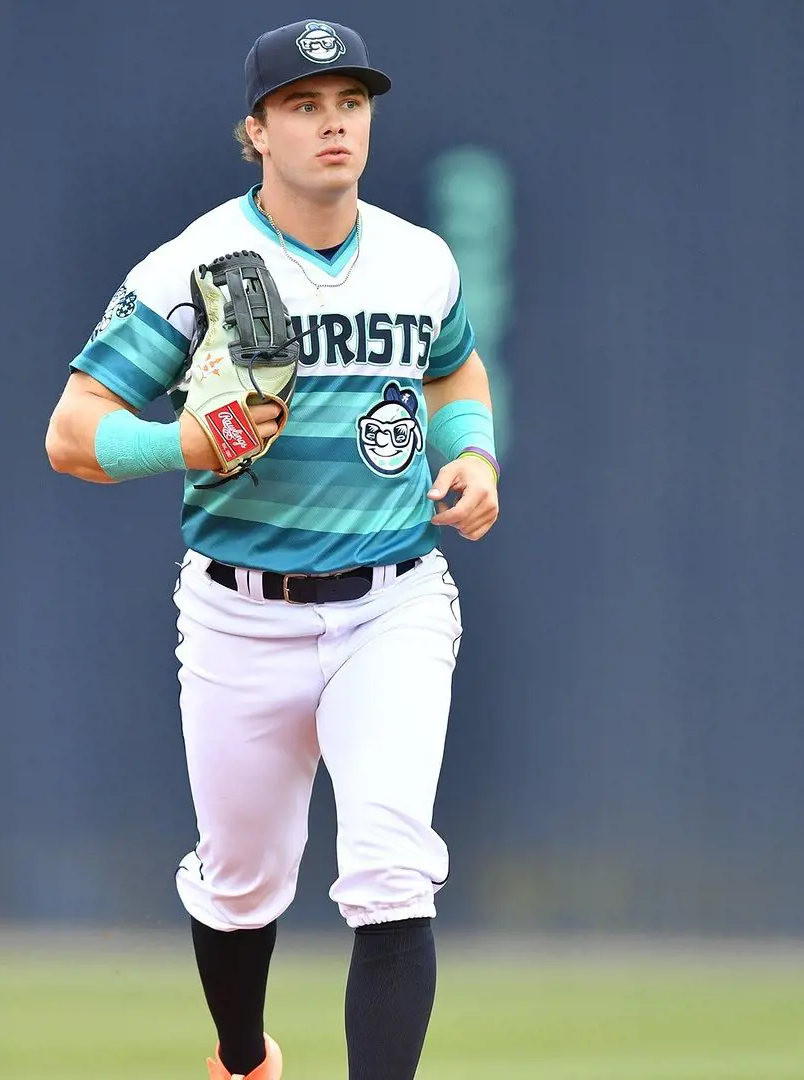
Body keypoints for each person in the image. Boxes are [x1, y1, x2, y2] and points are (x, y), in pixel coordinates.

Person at [45, 18, 502, 1080]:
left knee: (391, 872)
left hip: (393, 600)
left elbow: (457, 375)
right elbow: (72, 432)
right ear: (255, 130)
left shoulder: (418, 259)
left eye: (350, 102)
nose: (333, 123)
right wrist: (183, 441)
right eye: (303, 105)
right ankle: (245, 1057)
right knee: (243, 882)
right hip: (239, 611)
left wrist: (474, 458)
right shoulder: (201, 262)